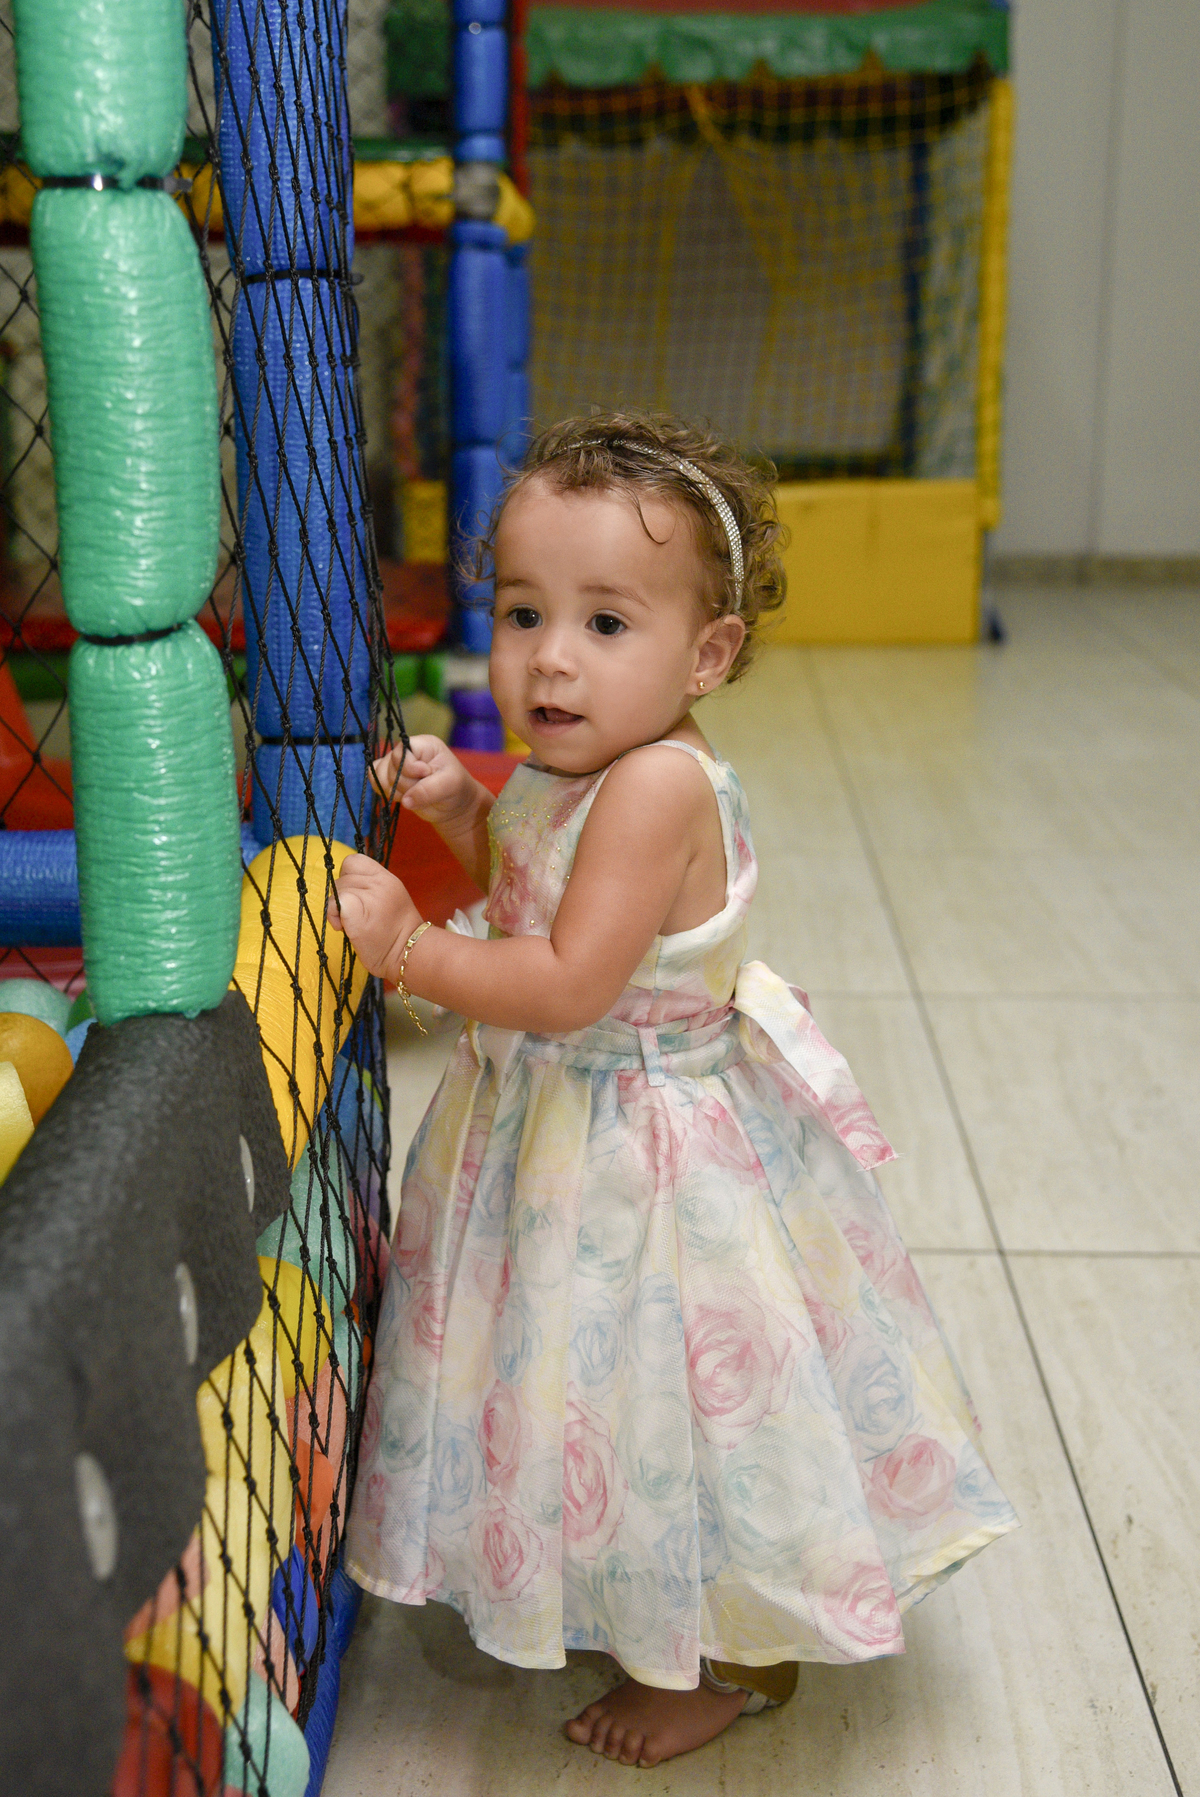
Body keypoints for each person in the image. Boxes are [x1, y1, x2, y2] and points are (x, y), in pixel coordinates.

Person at [331, 412, 1017, 1769]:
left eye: (605, 622)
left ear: (708, 654)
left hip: (639, 1149)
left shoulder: (653, 784)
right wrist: (467, 812)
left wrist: (407, 948)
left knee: (671, 1392)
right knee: (579, 1381)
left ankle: (727, 1656)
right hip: (567, 1125)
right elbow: (533, 877)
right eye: (523, 613)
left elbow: (567, 977)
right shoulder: (580, 766)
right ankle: (613, 1576)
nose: (551, 656)